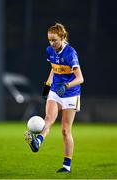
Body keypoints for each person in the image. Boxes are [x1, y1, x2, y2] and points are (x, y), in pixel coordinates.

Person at [25, 23, 84, 173]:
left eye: (54, 40)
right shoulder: (50, 50)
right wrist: (47, 84)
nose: (52, 43)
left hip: (71, 93)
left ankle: (66, 166)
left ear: (62, 37)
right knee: (49, 118)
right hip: (56, 91)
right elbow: (54, 68)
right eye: (49, 40)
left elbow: (80, 78)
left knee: (65, 130)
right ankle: (38, 141)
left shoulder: (70, 53)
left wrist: (66, 86)